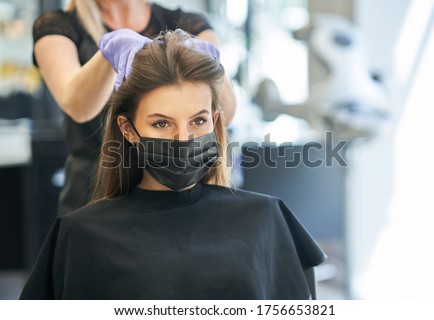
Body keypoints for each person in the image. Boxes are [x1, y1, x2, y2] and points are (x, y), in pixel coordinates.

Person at [20, 29, 326, 300]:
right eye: (162, 123)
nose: (183, 138)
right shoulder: (82, 234)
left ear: (215, 121)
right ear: (128, 129)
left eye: (198, 120)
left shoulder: (265, 218)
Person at [32, 0, 236, 215]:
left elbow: (226, 112)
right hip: (96, 192)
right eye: (161, 122)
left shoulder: (190, 24)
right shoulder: (58, 26)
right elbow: (77, 107)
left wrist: (213, 68)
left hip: (185, 192)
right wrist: (108, 55)